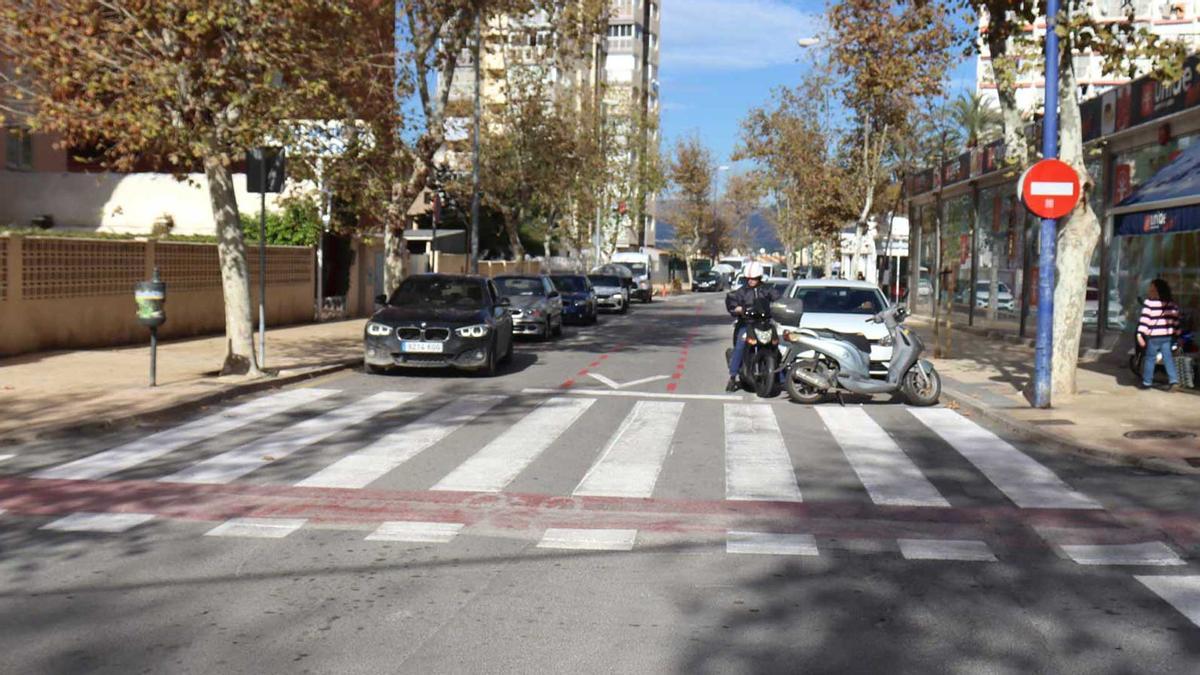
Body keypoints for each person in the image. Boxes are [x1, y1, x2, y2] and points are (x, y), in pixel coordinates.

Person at [724, 262, 782, 392]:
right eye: (749, 278)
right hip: (747, 324)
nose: (751, 281)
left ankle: (780, 376)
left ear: (760, 278)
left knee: (775, 346)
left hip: (765, 324)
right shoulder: (742, 292)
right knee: (740, 347)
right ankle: (733, 377)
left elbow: (778, 300)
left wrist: (779, 306)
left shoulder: (768, 290)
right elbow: (732, 301)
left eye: (754, 278)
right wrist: (736, 308)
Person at [1136, 278, 1181, 392]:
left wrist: (1139, 335)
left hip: (1153, 337)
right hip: (1167, 336)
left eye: (1151, 288)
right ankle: (1173, 380)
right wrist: (1177, 333)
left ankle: (1147, 382)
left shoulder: (1149, 303)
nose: (1149, 290)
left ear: (1155, 290)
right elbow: (1175, 321)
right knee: (1168, 358)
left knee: (1150, 359)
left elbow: (1144, 320)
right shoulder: (1171, 304)